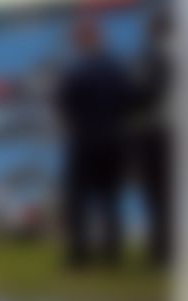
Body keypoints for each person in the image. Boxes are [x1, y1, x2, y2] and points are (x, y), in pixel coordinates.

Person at [52, 17, 139, 269]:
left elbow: (63, 104)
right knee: (110, 199)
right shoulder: (117, 68)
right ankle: (112, 254)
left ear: (81, 41)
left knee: (78, 199)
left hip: (84, 141)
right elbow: (132, 100)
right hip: (114, 139)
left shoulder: (76, 70)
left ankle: (79, 255)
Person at [130, 9, 176, 269]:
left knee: (157, 193)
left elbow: (146, 93)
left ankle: (162, 249)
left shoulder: (155, 57)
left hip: (158, 131)